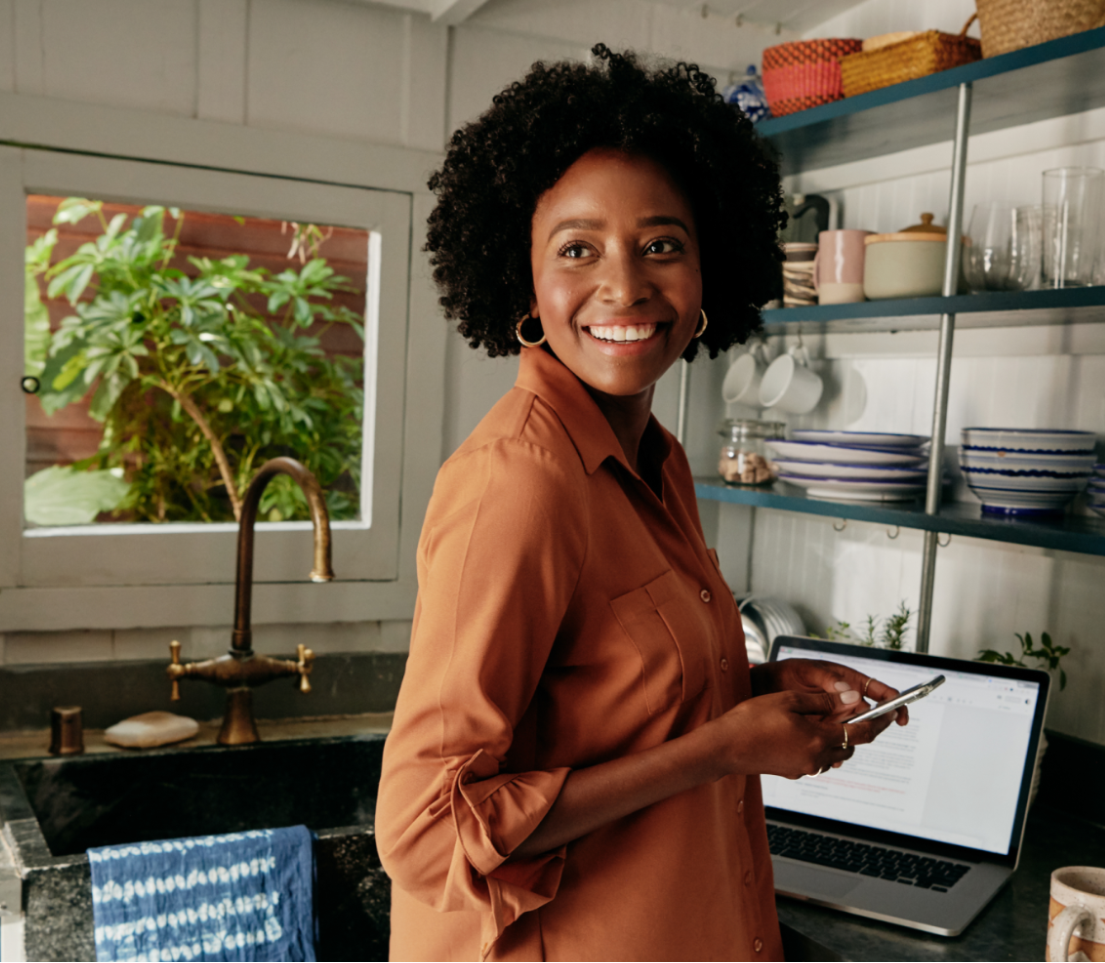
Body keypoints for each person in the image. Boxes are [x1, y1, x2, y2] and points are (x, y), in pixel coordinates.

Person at [376, 46, 910, 962]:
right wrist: (720, 748)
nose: (624, 286)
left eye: (661, 244)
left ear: (709, 275)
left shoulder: (653, 463)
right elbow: (427, 829)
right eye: (577, 249)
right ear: (525, 283)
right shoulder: (519, 481)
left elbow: (605, 706)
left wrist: (749, 695)